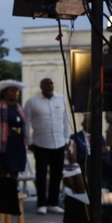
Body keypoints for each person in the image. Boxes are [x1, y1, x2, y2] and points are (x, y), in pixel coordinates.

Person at [23, 78, 71, 215]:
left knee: (57, 174)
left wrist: (67, 138)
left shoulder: (61, 99)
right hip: (40, 142)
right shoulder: (32, 102)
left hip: (59, 142)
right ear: (41, 86)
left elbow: (66, 120)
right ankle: (42, 204)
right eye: (46, 84)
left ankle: (53, 203)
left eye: (51, 83)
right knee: (41, 174)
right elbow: (26, 123)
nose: (49, 86)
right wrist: (29, 141)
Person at [0, 80, 27, 179]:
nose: (15, 93)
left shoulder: (19, 108)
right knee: (4, 172)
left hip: (18, 142)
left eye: (17, 91)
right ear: (4, 93)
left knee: (15, 172)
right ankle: (4, 194)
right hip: (6, 144)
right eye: (12, 91)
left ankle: (13, 193)